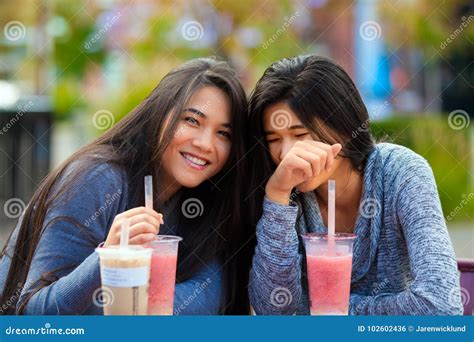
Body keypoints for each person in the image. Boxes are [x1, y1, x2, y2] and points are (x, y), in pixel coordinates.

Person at [0, 57, 253, 315]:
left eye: (224, 134)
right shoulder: (97, 179)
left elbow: (208, 296)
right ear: (160, 113)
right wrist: (107, 258)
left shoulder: (210, 202)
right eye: (191, 120)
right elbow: (35, 312)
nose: (205, 143)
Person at [246, 55, 463, 315]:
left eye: (300, 134)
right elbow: (274, 312)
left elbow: (440, 305)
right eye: (273, 139)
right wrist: (277, 196)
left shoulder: (400, 174)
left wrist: (330, 313)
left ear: (344, 125)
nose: (286, 154)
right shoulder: (283, 196)